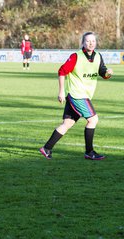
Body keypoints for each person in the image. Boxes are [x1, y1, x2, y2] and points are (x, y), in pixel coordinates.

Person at [39, 32, 113, 161]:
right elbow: (62, 72)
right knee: (93, 120)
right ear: (83, 43)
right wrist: (61, 91)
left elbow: (103, 73)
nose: (91, 43)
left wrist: (108, 73)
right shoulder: (75, 56)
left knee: (67, 123)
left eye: (93, 41)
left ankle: (47, 148)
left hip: (84, 95)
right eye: (88, 41)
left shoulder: (98, 56)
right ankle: (89, 152)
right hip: (77, 95)